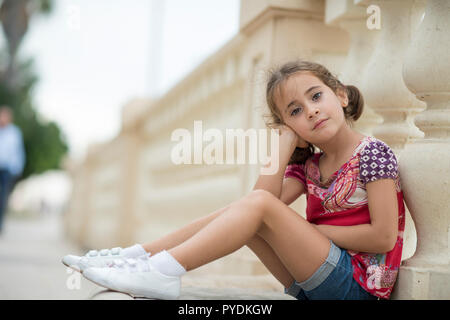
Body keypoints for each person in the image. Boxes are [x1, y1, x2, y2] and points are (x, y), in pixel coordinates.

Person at [62, 60, 405, 300]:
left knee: (256, 208)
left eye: (316, 96)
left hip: (358, 288)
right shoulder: (311, 165)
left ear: (341, 95)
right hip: (312, 282)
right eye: (295, 111)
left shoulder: (372, 154)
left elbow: (384, 236)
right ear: (288, 124)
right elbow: (256, 205)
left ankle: (162, 270)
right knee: (247, 208)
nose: (311, 110)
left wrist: (305, 231)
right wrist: (285, 142)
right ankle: (140, 256)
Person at [0, 105, 25, 232]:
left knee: (2, 197)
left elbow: (18, 152)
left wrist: (17, 169)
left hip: (6, 169)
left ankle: (0, 224)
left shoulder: (14, 133)